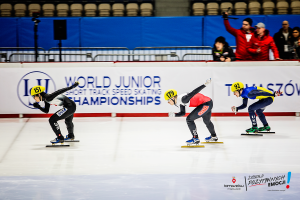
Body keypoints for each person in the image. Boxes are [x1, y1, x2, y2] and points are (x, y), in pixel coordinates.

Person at [164, 78, 218, 145]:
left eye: (168, 100)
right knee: (207, 121)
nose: (168, 102)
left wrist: (204, 84)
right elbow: (182, 113)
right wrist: (174, 115)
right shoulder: (180, 101)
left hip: (206, 104)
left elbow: (194, 92)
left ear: (172, 98)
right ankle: (214, 136)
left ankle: (195, 138)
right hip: (207, 102)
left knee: (189, 119)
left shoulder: (183, 99)